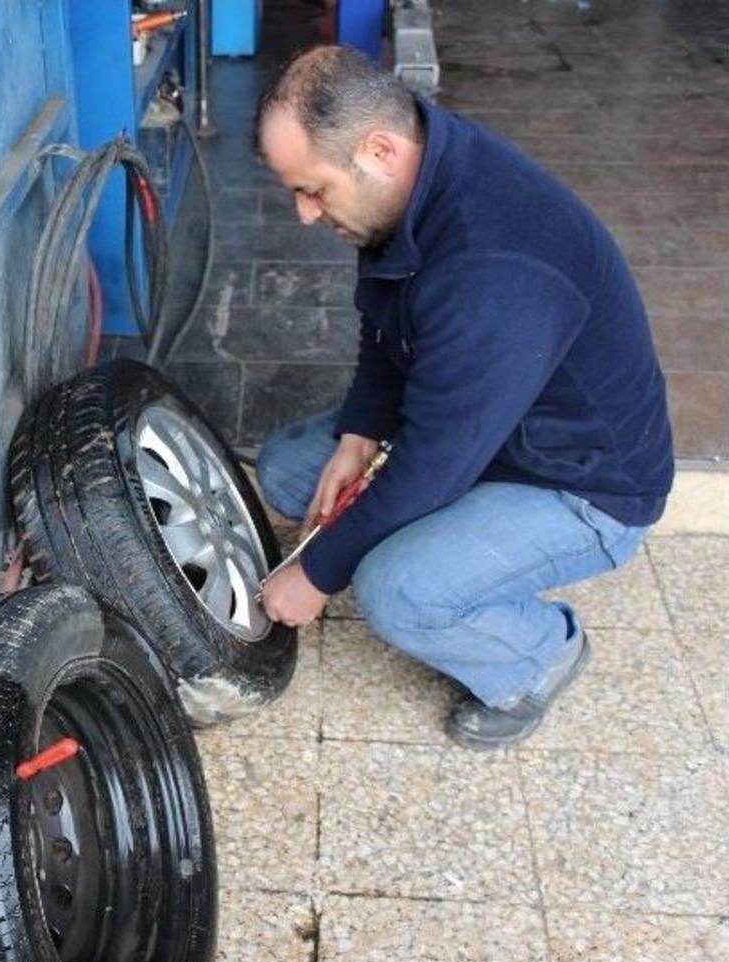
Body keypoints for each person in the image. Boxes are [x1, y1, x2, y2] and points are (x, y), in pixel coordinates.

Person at [252, 45, 673, 749]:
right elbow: (386, 321)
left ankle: (539, 656)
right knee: (291, 469)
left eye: (314, 189)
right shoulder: (408, 184)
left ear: (379, 149)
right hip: (491, 424)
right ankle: (437, 543)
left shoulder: (491, 269)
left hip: (581, 484)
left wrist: (318, 574)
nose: (303, 213)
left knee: (396, 589)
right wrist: (358, 433)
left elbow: (434, 462)